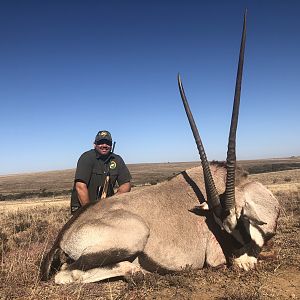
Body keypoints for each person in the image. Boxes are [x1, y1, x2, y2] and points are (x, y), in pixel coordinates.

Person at [70, 130, 131, 214]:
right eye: (101, 142)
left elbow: (126, 184)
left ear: (111, 144)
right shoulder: (86, 157)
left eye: (107, 143)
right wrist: (90, 212)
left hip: (106, 208)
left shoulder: (117, 159)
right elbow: (80, 187)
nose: (104, 145)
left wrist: (113, 201)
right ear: (94, 144)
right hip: (83, 208)